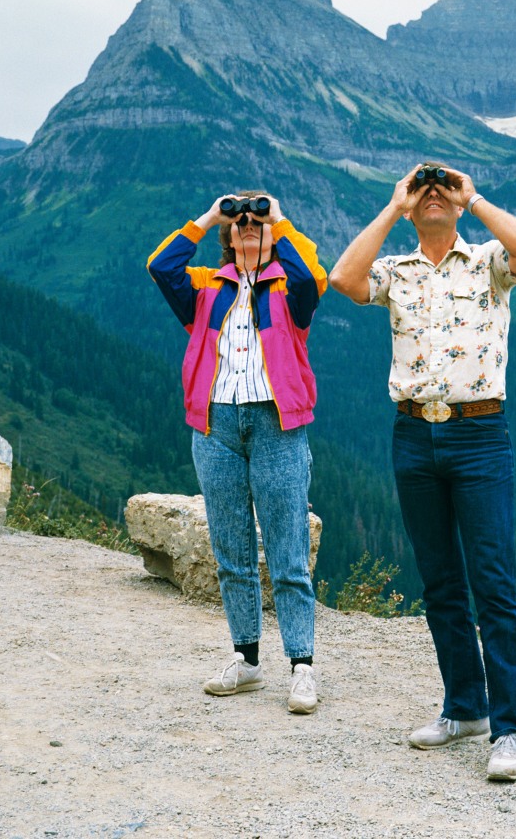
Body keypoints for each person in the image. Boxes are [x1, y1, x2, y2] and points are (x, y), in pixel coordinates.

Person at [329, 162, 516, 782]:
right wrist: (394, 205)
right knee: (441, 582)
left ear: (455, 203)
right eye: (424, 191)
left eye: (440, 191)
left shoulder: (487, 263)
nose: (432, 196)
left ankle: (510, 731)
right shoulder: (395, 271)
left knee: (494, 584)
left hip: (479, 432)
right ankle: (465, 709)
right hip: (413, 432)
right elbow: (343, 277)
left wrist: (473, 195)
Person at [146, 190, 328, 714]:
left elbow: (313, 275)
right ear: (226, 236)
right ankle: (246, 660)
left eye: (256, 221)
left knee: (288, 551)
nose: (248, 224)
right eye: (240, 221)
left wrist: (279, 220)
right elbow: (161, 266)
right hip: (216, 424)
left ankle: (302, 667)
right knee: (232, 551)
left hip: (277, 422)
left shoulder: (291, 289)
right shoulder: (207, 288)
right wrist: (208, 216)